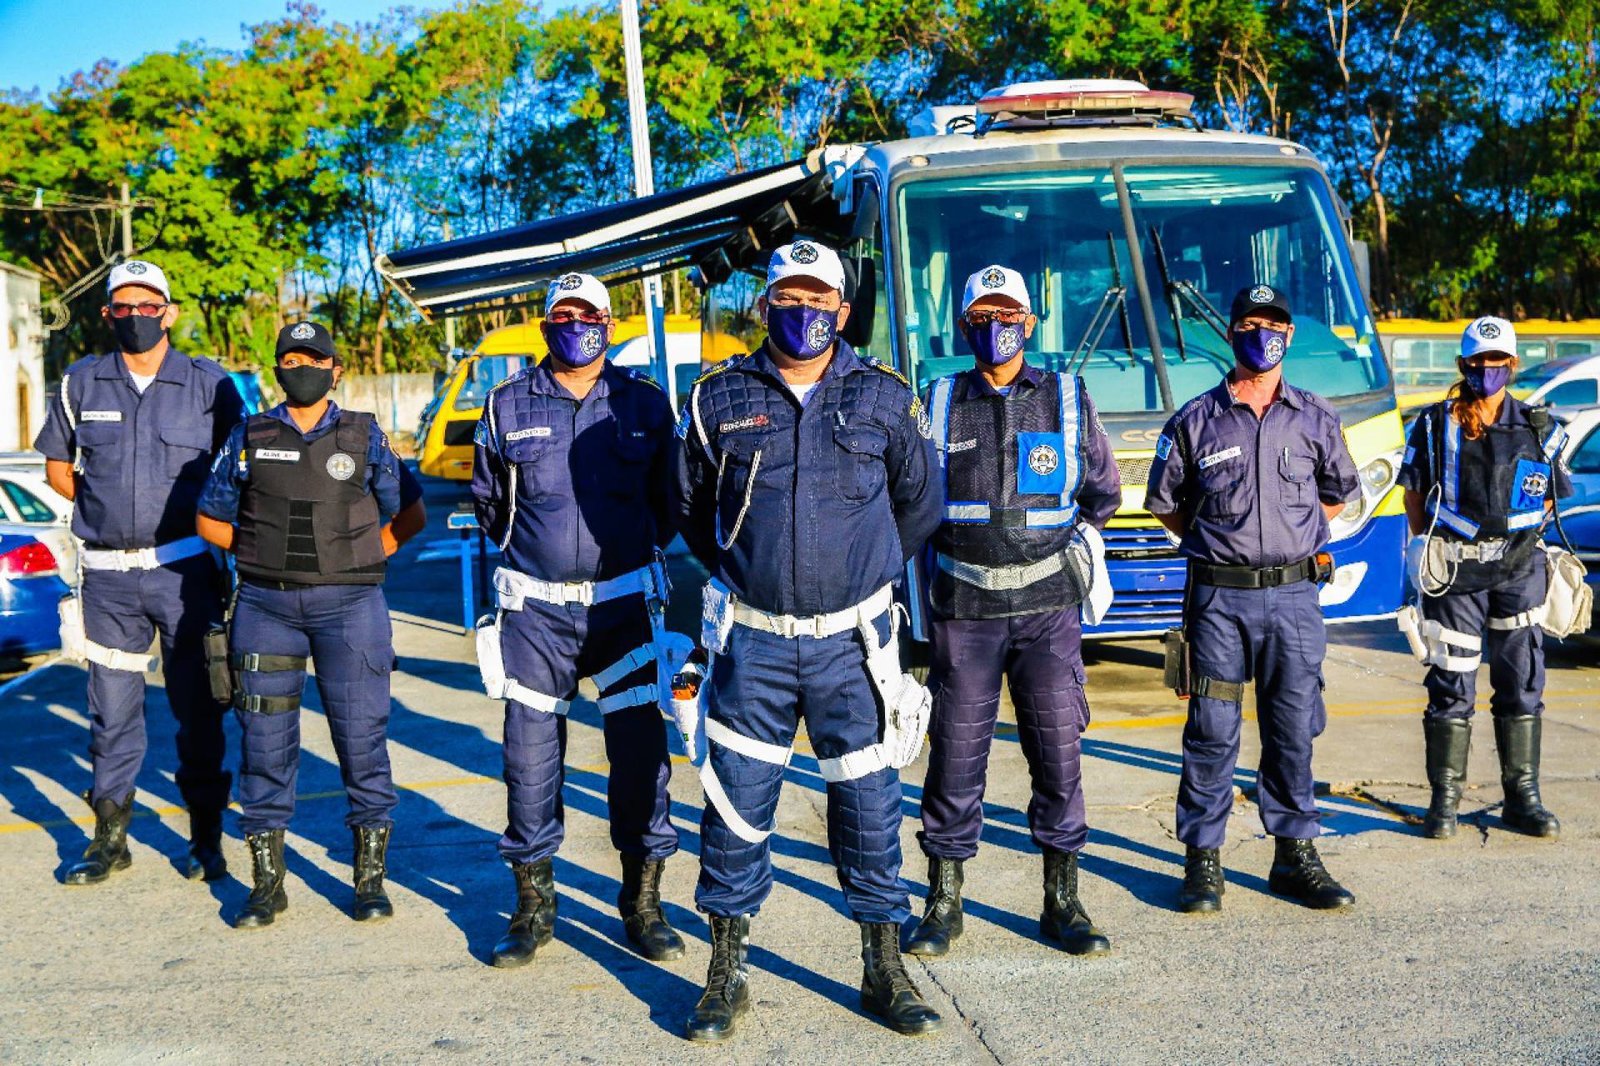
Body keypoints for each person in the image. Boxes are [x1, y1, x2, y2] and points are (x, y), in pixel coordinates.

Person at [672, 239, 944, 1041]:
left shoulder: (887, 401)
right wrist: (745, 572)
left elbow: (918, 508)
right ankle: (726, 970)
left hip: (851, 650)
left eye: (817, 297)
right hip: (751, 646)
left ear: (843, 310)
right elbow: (691, 510)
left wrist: (862, 573)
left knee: (868, 804)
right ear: (765, 306)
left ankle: (882, 965)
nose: (803, 310)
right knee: (733, 808)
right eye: (787, 296)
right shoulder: (717, 398)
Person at [907, 265, 1122, 959]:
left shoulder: (1067, 396)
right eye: (982, 316)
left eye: (1008, 315)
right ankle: (944, 903)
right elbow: (909, 505)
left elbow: (1103, 492)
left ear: (1029, 324)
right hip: (963, 609)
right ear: (965, 324)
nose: (995, 327)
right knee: (956, 758)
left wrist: (1063, 545)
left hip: (1047, 609)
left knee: (1059, 754)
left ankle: (1062, 902)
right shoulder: (935, 402)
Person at [471, 273, 684, 968]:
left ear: (609, 321)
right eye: (563, 314)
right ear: (544, 325)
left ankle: (642, 903)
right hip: (535, 613)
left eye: (588, 313)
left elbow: (671, 502)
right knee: (529, 764)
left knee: (640, 762)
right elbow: (490, 508)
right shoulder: (505, 406)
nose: (576, 323)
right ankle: (533, 906)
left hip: (624, 609)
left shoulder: (646, 404)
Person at [196, 321, 426, 927]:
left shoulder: (365, 434)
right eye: (291, 358)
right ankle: (267, 885)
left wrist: (364, 555)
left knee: (362, 743)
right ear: (276, 368)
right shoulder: (250, 434)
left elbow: (411, 512)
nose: (303, 367)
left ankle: (369, 882)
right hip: (265, 610)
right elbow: (211, 520)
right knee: (264, 749)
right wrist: (258, 557)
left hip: (350, 610)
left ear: (335, 368)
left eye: (314, 358)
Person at [1145, 283, 1361, 914]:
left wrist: (1287, 544)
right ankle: (1203, 862)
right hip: (1219, 603)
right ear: (1233, 333)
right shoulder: (1194, 421)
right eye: (1249, 323)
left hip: (1294, 600)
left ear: (1288, 336)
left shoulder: (1316, 417)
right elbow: (1167, 504)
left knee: (1293, 728)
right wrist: (1225, 544)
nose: (1261, 334)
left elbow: (1337, 494)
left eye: (1273, 325)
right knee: (1211, 731)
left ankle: (1294, 856)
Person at [34, 259, 243, 886]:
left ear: (170, 313)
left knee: (200, 708)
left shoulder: (211, 384)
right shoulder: (80, 383)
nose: (135, 317)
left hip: (185, 573)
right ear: (106, 315)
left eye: (148, 306)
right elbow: (58, 468)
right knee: (111, 712)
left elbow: (241, 470)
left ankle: (205, 839)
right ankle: (110, 838)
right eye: (122, 308)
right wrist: (108, 513)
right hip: (108, 581)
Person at [1397, 316, 1572, 841]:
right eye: (1477, 362)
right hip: (1455, 574)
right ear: (1463, 365)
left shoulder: (1542, 429)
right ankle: (1444, 803)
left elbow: (1548, 498)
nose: (1486, 370)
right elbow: (1412, 494)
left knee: (1521, 686)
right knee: (1451, 687)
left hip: (1518, 573)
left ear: (1511, 365)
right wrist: (1427, 548)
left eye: (1496, 362)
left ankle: (1524, 799)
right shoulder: (1431, 425)